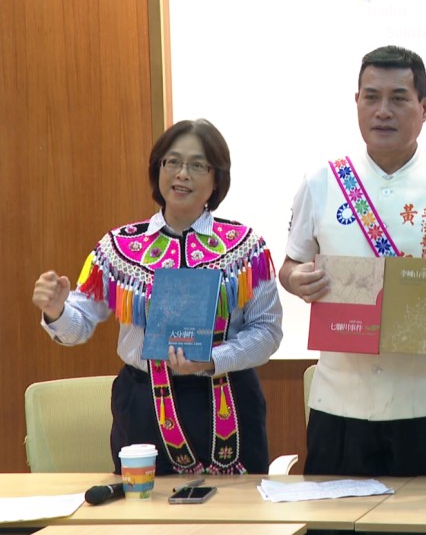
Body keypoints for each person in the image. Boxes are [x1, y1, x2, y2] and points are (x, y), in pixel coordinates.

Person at [280, 45, 426, 477]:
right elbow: (290, 266)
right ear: (356, 102)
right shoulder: (321, 182)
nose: (383, 111)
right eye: (371, 97)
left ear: (425, 107)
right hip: (338, 400)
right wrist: (296, 279)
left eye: (399, 98)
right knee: (333, 513)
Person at [32, 119, 283, 476]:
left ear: (216, 179)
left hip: (227, 401)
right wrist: (57, 311)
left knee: (234, 508)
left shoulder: (246, 248)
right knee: (142, 506)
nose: (182, 174)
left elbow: (267, 331)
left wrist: (212, 359)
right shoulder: (118, 248)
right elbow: (79, 325)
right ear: (157, 169)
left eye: (198, 165)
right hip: (143, 405)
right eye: (172, 161)